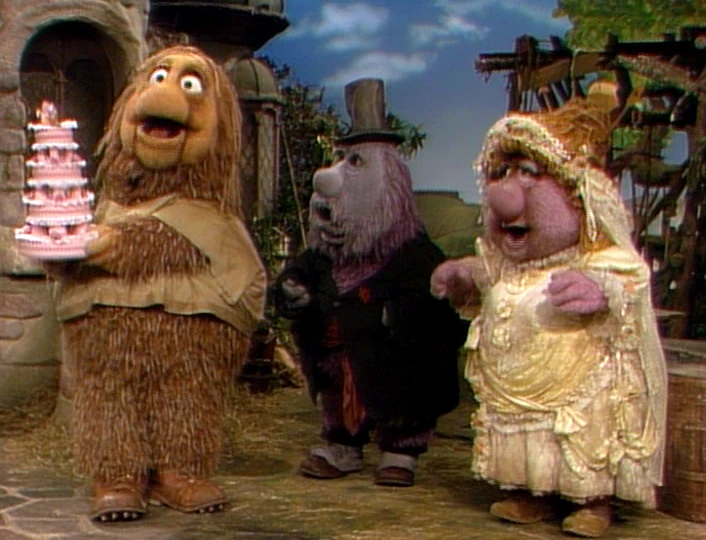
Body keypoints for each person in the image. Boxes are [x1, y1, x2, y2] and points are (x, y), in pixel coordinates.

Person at [431, 89, 666, 538]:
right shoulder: (506, 262)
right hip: (520, 381)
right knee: (527, 433)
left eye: (529, 173)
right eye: (504, 172)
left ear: (578, 197)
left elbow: (628, 281)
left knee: (580, 431)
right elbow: (486, 276)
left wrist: (600, 289)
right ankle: (534, 491)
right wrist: (462, 275)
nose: (507, 190)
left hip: (574, 380)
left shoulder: (592, 256)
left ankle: (593, 500)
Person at [275, 78, 467, 487]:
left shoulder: (414, 254)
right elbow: (301, 272)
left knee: (405, 389)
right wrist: (293, 290)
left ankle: (401, 448)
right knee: (338, 389)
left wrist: (384, 314)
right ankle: (343, 443)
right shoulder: (325, 254)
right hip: (339, 356)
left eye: (356, 164)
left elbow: (432, 311)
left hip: (390, 359)